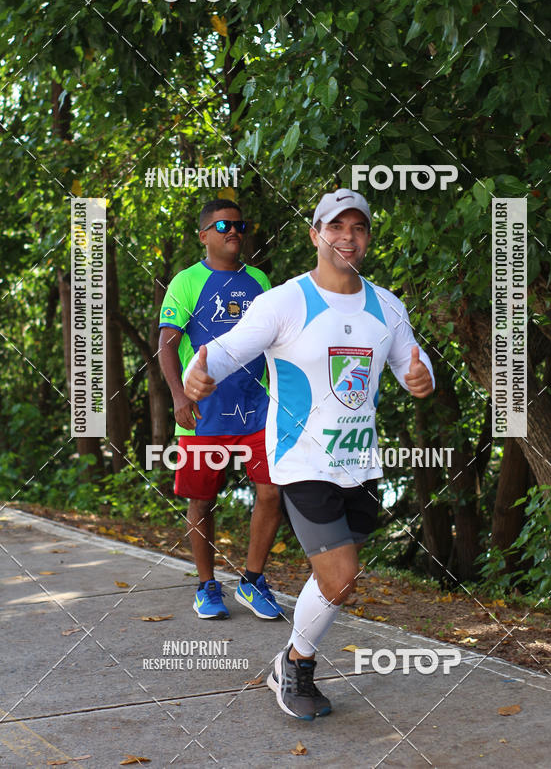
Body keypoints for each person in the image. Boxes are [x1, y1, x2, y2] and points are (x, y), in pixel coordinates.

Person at [182, 189, 434, 718]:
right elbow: (225, 351)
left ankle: (289, 663)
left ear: (367, 238)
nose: (347, 237)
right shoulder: (284, 301)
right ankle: (297, 665)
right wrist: (197, 373)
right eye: (335, 226)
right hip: (301, 461)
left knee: (335, 582)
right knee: (341, 577)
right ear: (315, 234)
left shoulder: (387, 305)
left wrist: (420, 377)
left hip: (359, 462)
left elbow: (410, 362)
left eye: (358, 228)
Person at [158, 199, 284, 621]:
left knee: (271, 492)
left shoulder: (260, 280)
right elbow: (166, 346)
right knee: (202, 500)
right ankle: (206, 586)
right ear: (204, 235)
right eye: (224, 225)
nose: (234, 231)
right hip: (203, 414)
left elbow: (274, 342)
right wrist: (179, 396)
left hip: (256, 409)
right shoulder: (186, 282)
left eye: (240, 225)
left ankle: (252, 580)